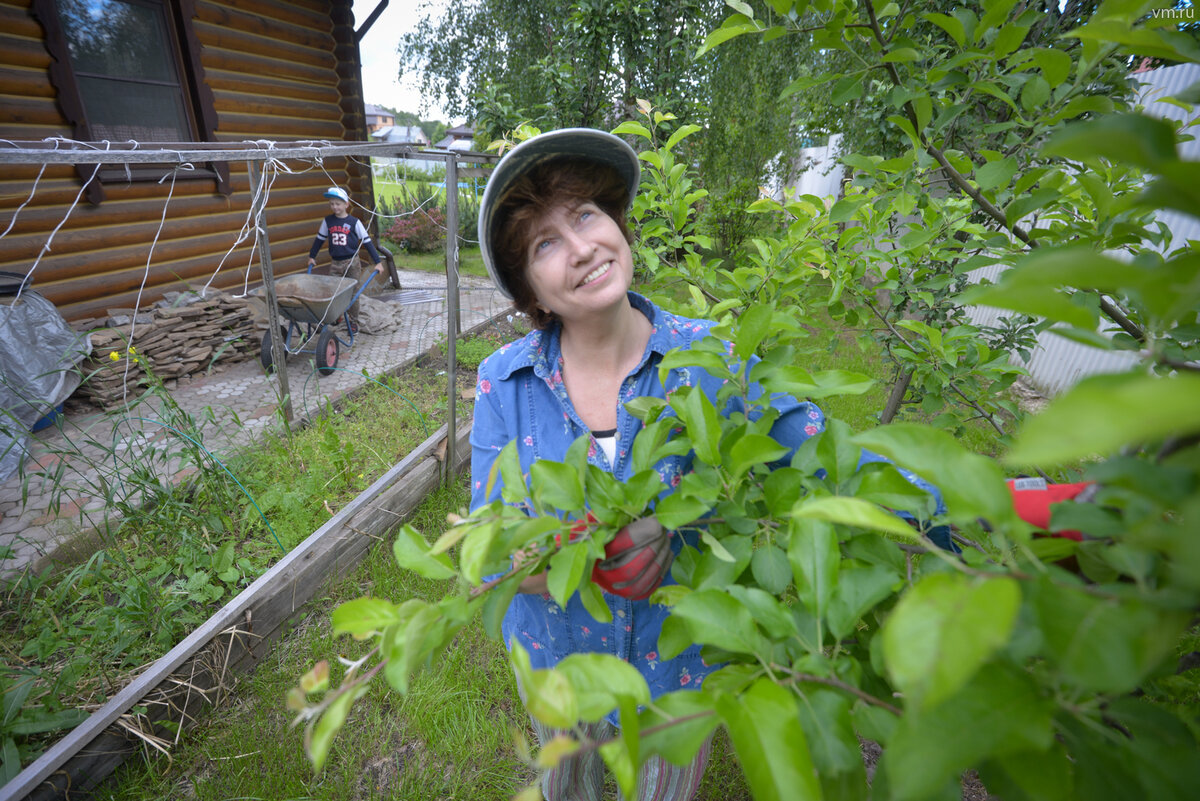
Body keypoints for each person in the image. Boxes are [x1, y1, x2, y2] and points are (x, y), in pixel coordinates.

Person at [469, 129, 941, 801]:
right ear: (532, 293)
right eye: (544, 244)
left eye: (586, 216)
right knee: (568, 783)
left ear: (617, 225)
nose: (580, 249)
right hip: (559, 660)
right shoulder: (504, 381)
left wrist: (970, 504)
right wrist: (591, 554)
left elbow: (818, 449)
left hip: (677, 669)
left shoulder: (710, 359)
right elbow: (490, 552)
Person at [306, 186, 383, 331]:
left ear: (346, 204)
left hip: (352, 263)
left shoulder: (354, 222)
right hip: (335, 262)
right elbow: (319, 240)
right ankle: (336, 316)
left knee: (353, 291)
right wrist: (312, 256)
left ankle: (354, 320)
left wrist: (377, 262)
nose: (335, 207)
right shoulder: (328, 221)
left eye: (338, 203)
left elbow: (367, 242)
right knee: (333, 291)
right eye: (332, 204)